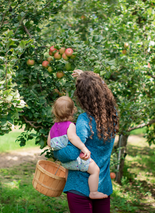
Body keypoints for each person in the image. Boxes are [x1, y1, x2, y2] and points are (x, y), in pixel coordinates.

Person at [53, 70, 119, 213]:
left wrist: (55, 149)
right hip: (102, 186)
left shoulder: (85, 120)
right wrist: (88, 78)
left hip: (80, 186)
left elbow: (70, 154)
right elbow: (99, 85)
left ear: (83, 97)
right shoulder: (113, 114)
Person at [47, 96, 108, 199]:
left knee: (68, 170)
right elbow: (73, 138)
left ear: (55, 112)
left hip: (65, 163)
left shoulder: (53, 127)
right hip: (75, 159)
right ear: (72, 111)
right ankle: (93, 192)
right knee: (95, 170)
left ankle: (68, 186)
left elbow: (49, 143)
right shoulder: (70, 125)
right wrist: (84, 148)